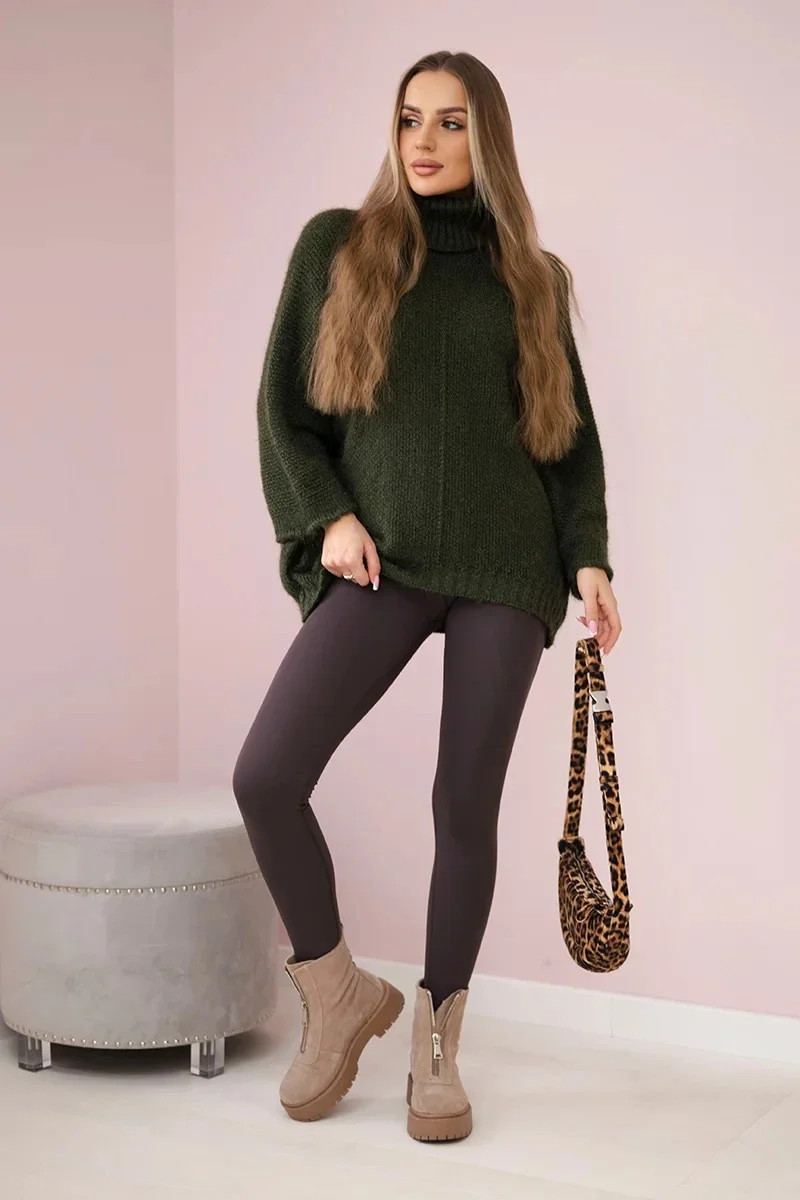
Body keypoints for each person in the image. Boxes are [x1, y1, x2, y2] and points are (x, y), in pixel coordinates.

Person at [232, 48, 622, 1143]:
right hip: (384, 558)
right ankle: (336, 992)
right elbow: (285, 411)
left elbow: (567, 442)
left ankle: (437, 1038)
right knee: (266, 776)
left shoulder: (532, 279)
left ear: (484, 139)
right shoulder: (338, 247)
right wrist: (328, 515)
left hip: (505, 565)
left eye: (450, 122)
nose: (424, 141)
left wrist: (588, 558)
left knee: (463, 805)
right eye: (410, 118)